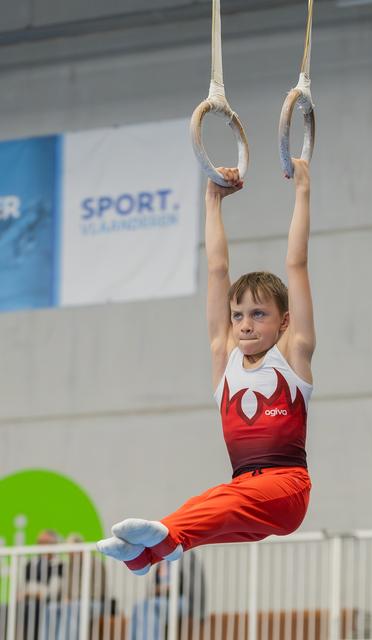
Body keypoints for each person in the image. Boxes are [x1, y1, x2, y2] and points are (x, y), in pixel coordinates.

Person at [97, 159, 315, 576]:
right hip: (244, 489)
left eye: (259, 314)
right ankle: (148, 556)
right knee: (206, 504)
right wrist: (212, 198)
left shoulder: (293, 356)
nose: (245, 324)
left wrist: (302, 191)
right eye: (238, 315)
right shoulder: (224, 357)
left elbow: (296, 265)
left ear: (284, 321)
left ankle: (166, 537)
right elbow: (217, 270)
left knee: (216, 505)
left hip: (286, 488)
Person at [130, 550, 206, 640]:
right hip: (161, 600)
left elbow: (191, 584)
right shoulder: (161, 556)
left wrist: (168, 588)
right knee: (139, 606)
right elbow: (154, 585)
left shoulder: (186, 553)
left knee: (150, 606)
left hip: (183, 600)